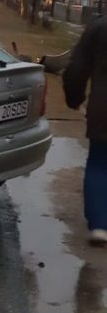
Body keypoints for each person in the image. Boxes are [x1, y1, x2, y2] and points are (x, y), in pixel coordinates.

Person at [63, 17, 107, 245]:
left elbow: (77, 68)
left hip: (103, 109)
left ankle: (100, 224)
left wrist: (74, 98)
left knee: (99, 164)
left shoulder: (99, 27)